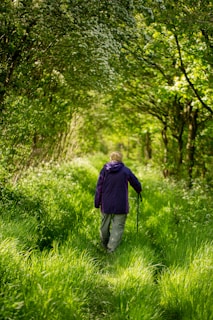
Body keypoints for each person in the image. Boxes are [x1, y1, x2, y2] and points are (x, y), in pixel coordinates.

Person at [94, 151, 142, 253]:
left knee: (104, 226)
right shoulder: (125, 170)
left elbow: (99, 187)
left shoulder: (104, 170)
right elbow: (135, 182)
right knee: (118, 227)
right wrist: (138, 189)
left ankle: (104, 244)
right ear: (121, 159)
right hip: (121, 204)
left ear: (110, 158)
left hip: (106, 203)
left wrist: (97, 202)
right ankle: (111, 249)